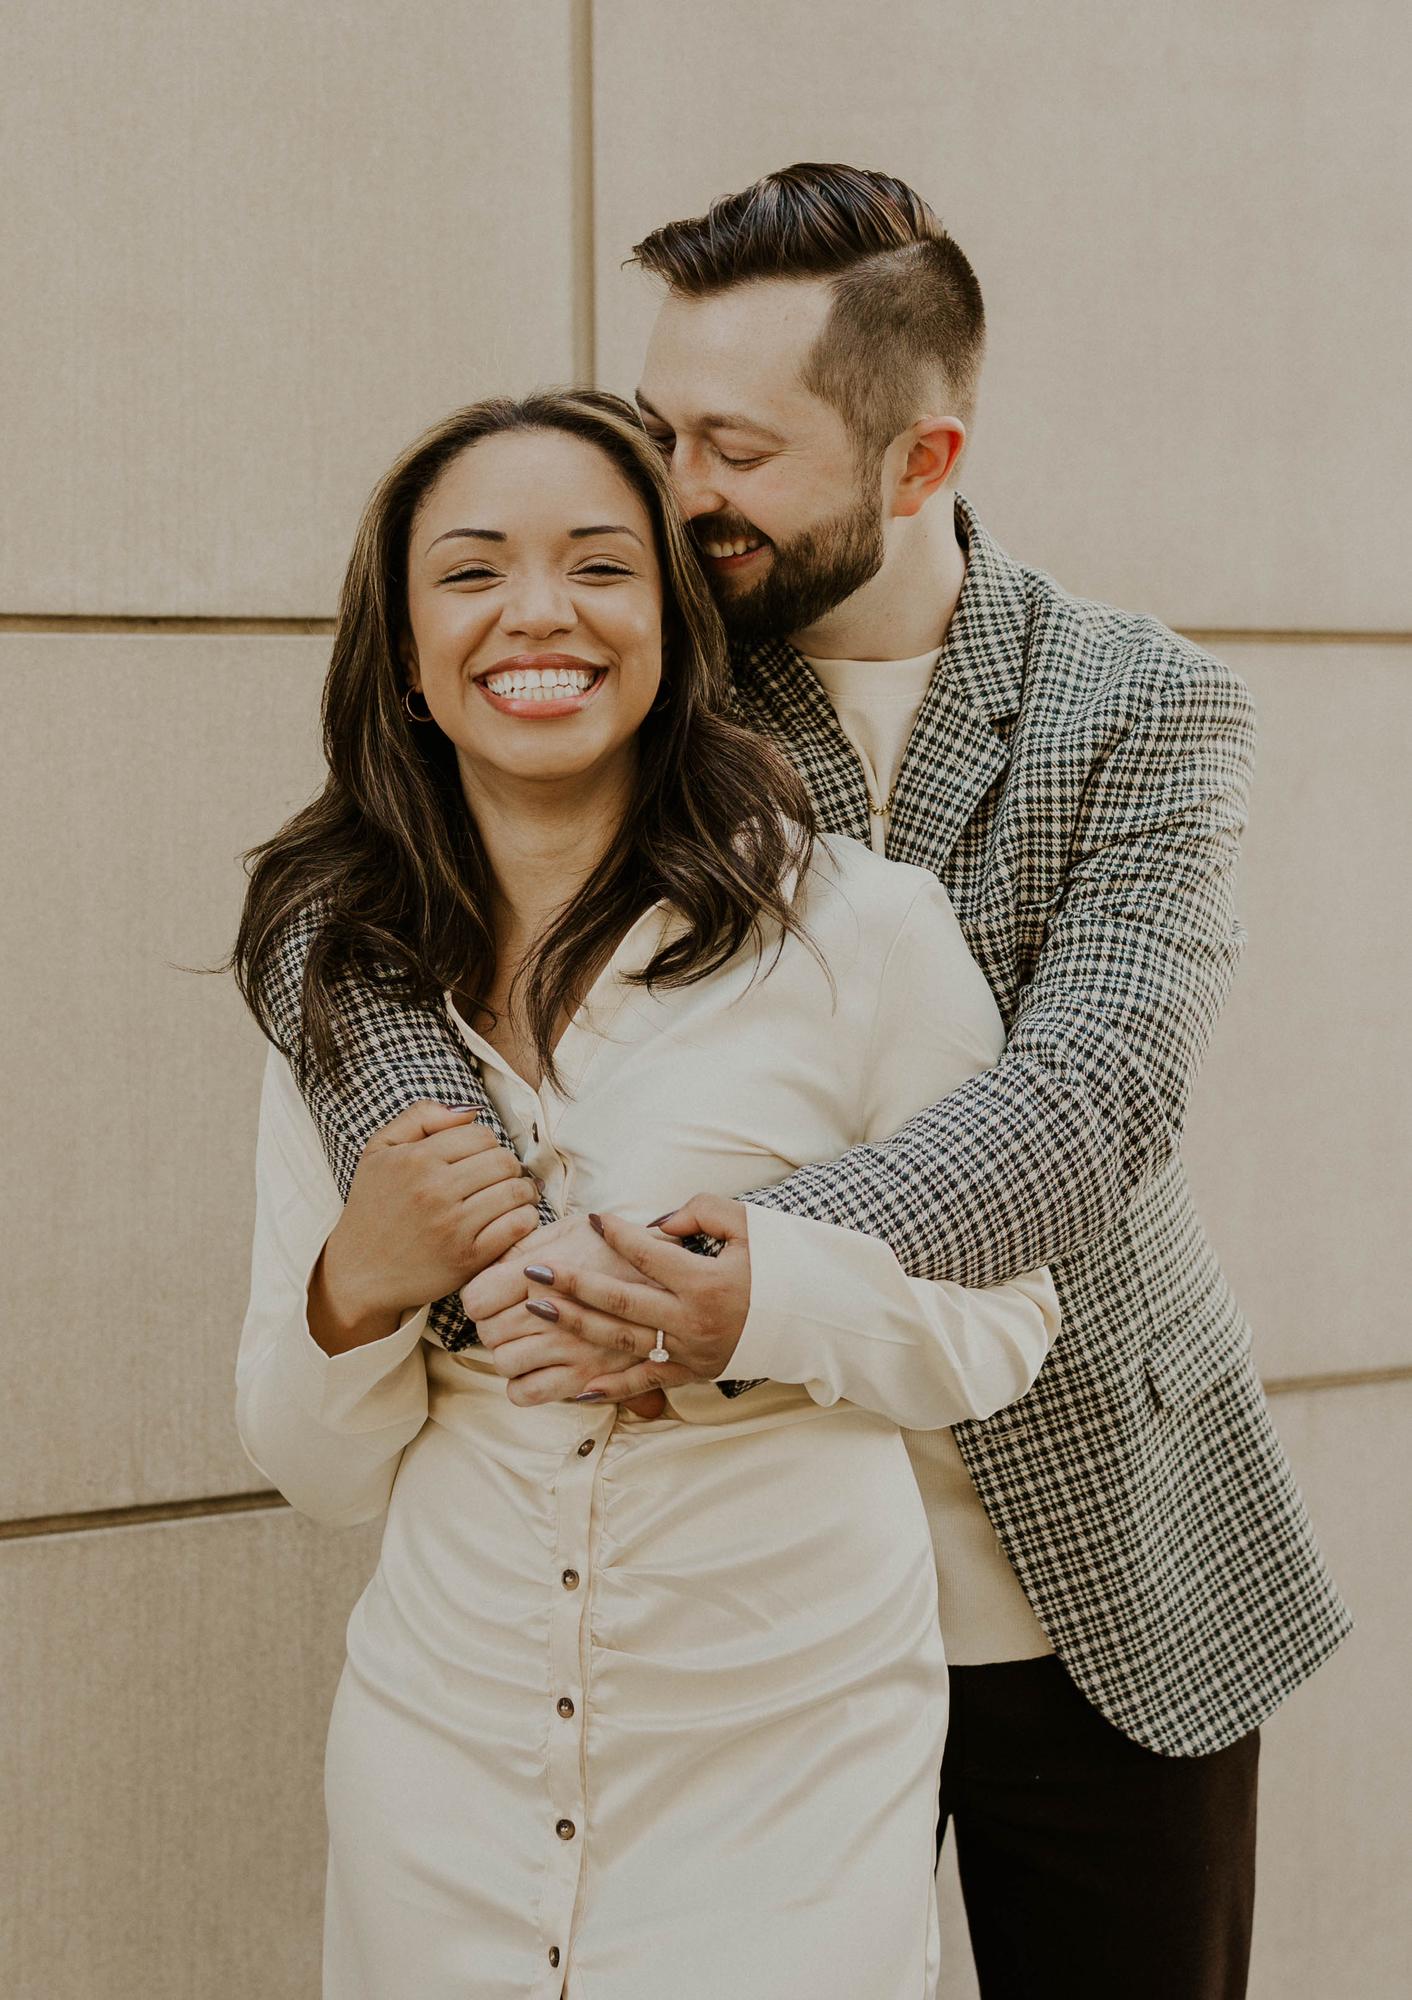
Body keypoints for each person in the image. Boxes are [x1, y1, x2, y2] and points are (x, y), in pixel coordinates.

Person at [274, 167, 1352, 2000]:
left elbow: (1095, 1096)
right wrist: (451, 1213)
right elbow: (358, 886)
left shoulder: (1145, 704)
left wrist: (699, 1271)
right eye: (661, 427)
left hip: (1099, 1567)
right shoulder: (641, 664)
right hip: (728, 1640)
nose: (675, 485)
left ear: (922, 462)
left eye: (736, 449)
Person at [233, 389, 1062, 1999]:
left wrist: (758, 1311)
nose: (538, 612)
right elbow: (313, 1469)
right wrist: (360, 1282)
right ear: (405, 656)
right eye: (472, 572)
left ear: (678, 633)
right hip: (441, 1765)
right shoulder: (349, 991)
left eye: (601, 566)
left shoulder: (860, 933)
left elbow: (1004, 1328)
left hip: (783, 1764)